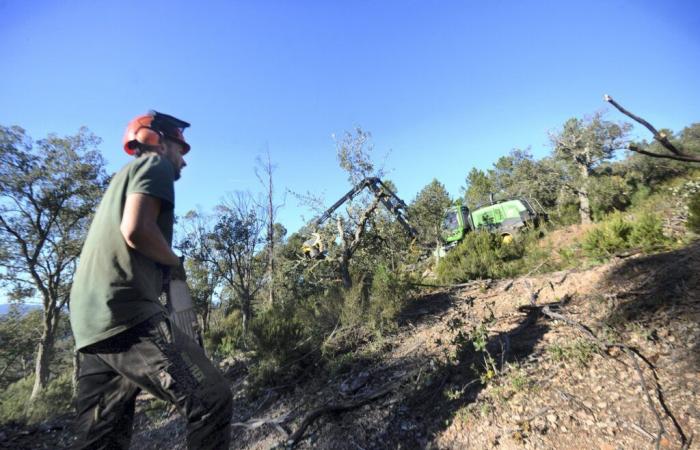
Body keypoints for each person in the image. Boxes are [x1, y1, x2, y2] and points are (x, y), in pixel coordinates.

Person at [69, 111, 232, 449]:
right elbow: (136, 230)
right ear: (157, 142)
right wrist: (174, 263)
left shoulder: (120, 179)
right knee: (211, 399)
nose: (184, 161)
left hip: (91, 326)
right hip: (127, 317)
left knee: (102, 437)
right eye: (180, 149)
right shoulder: (154, 166)